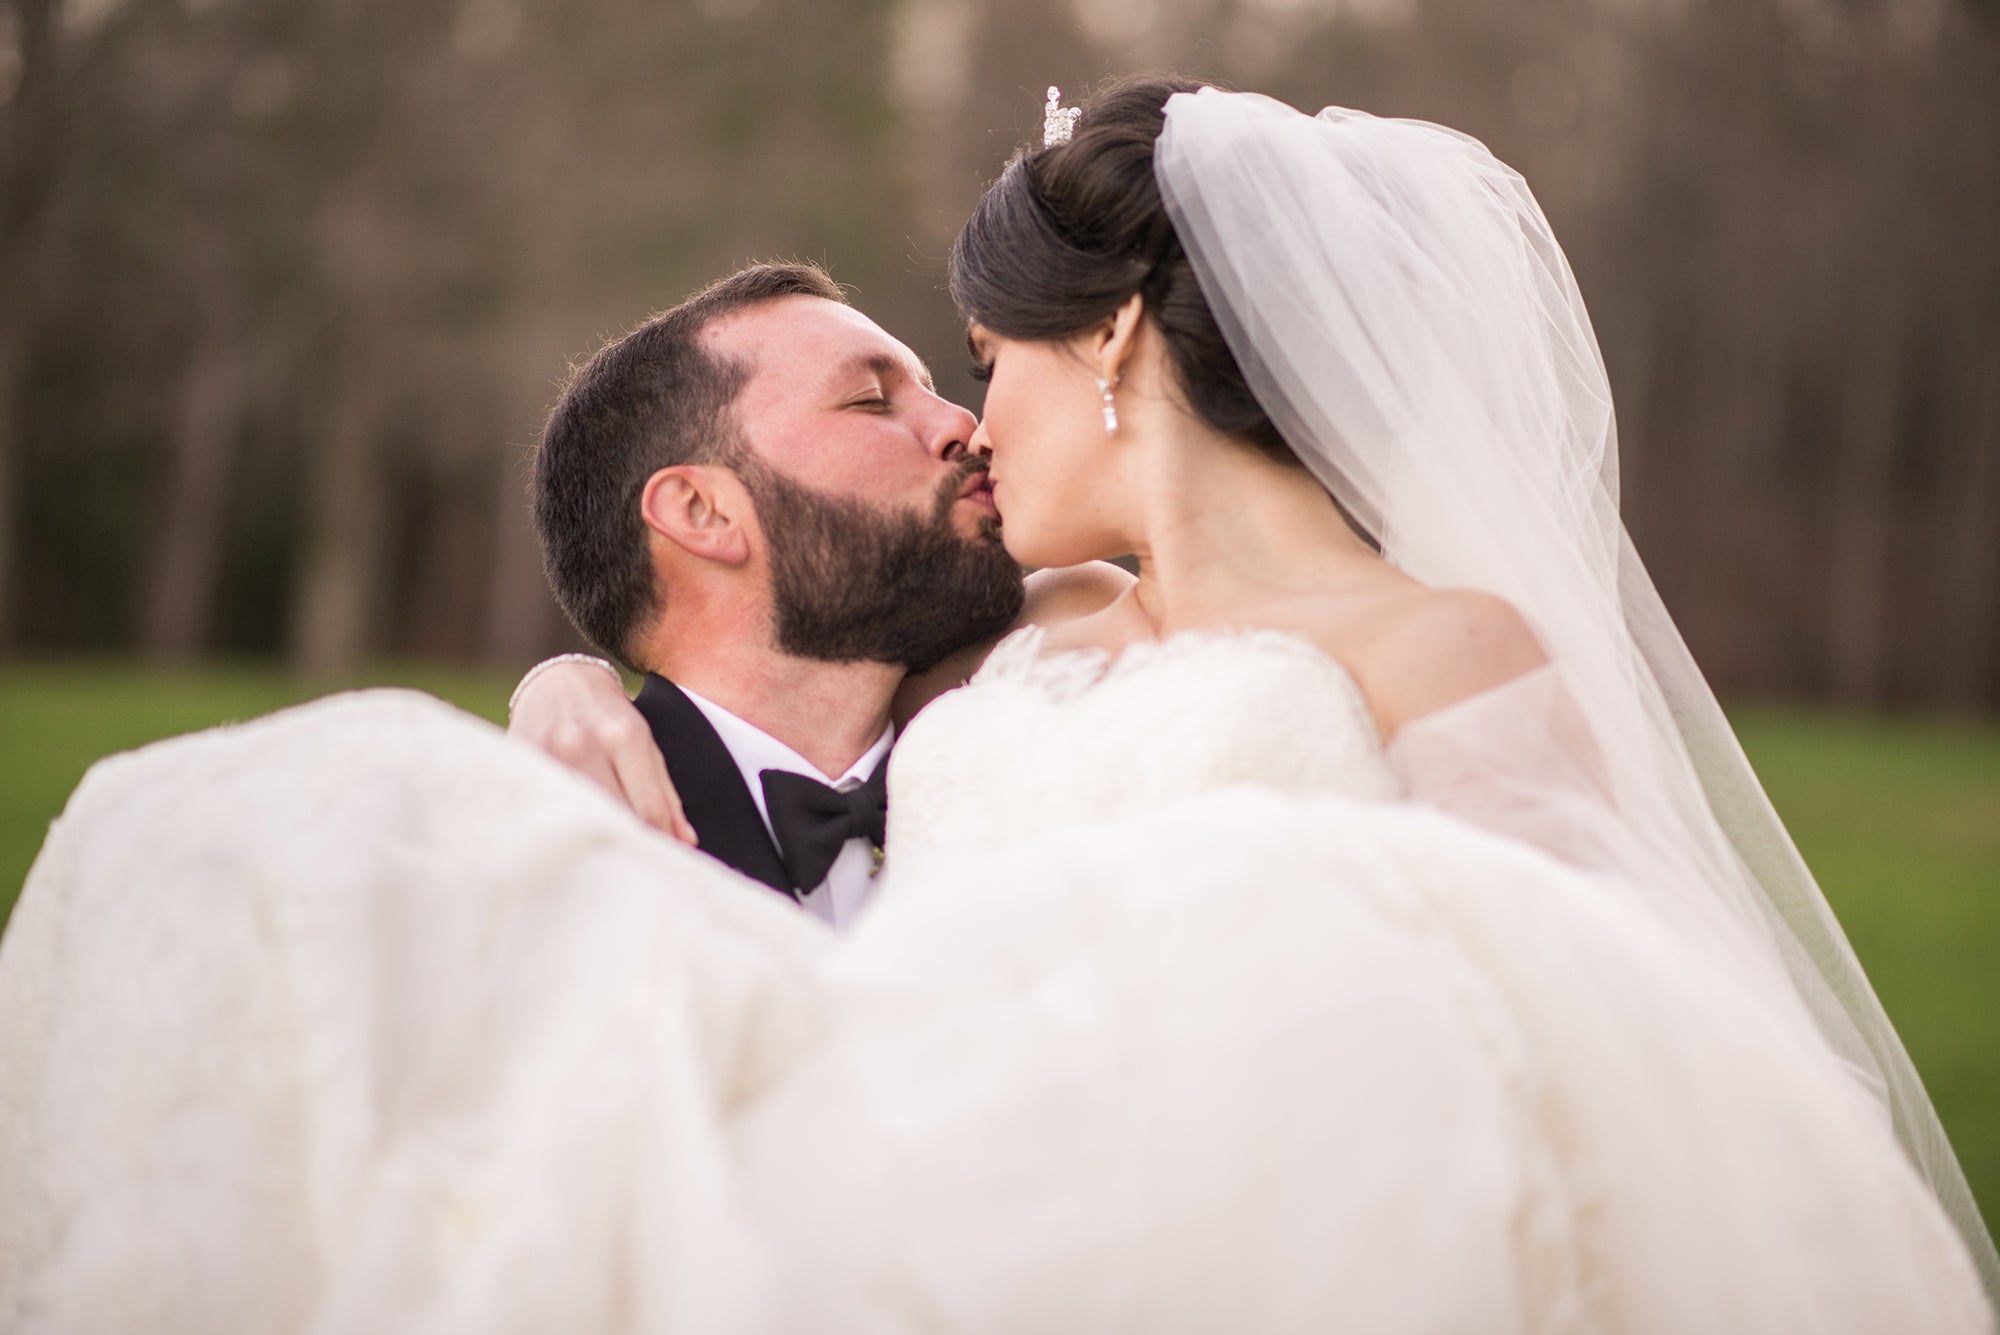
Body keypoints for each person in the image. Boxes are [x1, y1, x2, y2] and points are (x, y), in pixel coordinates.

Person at [1, 77, 1993, 1334]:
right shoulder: (1019, 638)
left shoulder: (1451, 651)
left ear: (1114, 336)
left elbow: (1598, 1033)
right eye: (921, 376)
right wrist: (554, 693)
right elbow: (720, 655)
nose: (968, 414)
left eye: (975, 356)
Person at [513, 260, 1124, 927]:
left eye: (929, 388)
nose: (963, 424)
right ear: (701, 511)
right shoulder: (546, 862)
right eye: (870, 398)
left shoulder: (1055, 714)